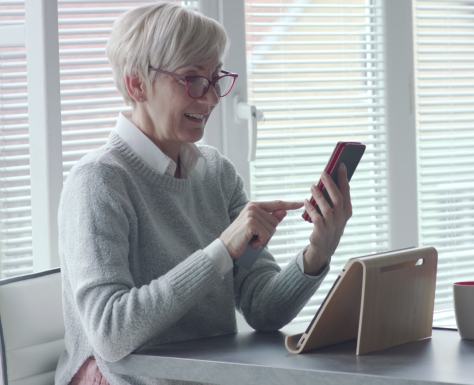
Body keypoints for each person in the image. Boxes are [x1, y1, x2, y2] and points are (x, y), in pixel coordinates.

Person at [55, 3, 352, 385]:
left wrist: (318, 251)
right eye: (193, 79)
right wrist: (222, 250)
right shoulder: (98, 182)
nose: (211, 99)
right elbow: (111, 333)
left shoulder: (216, 173)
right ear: (136, 84)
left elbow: (262, 308)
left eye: (215, 80)